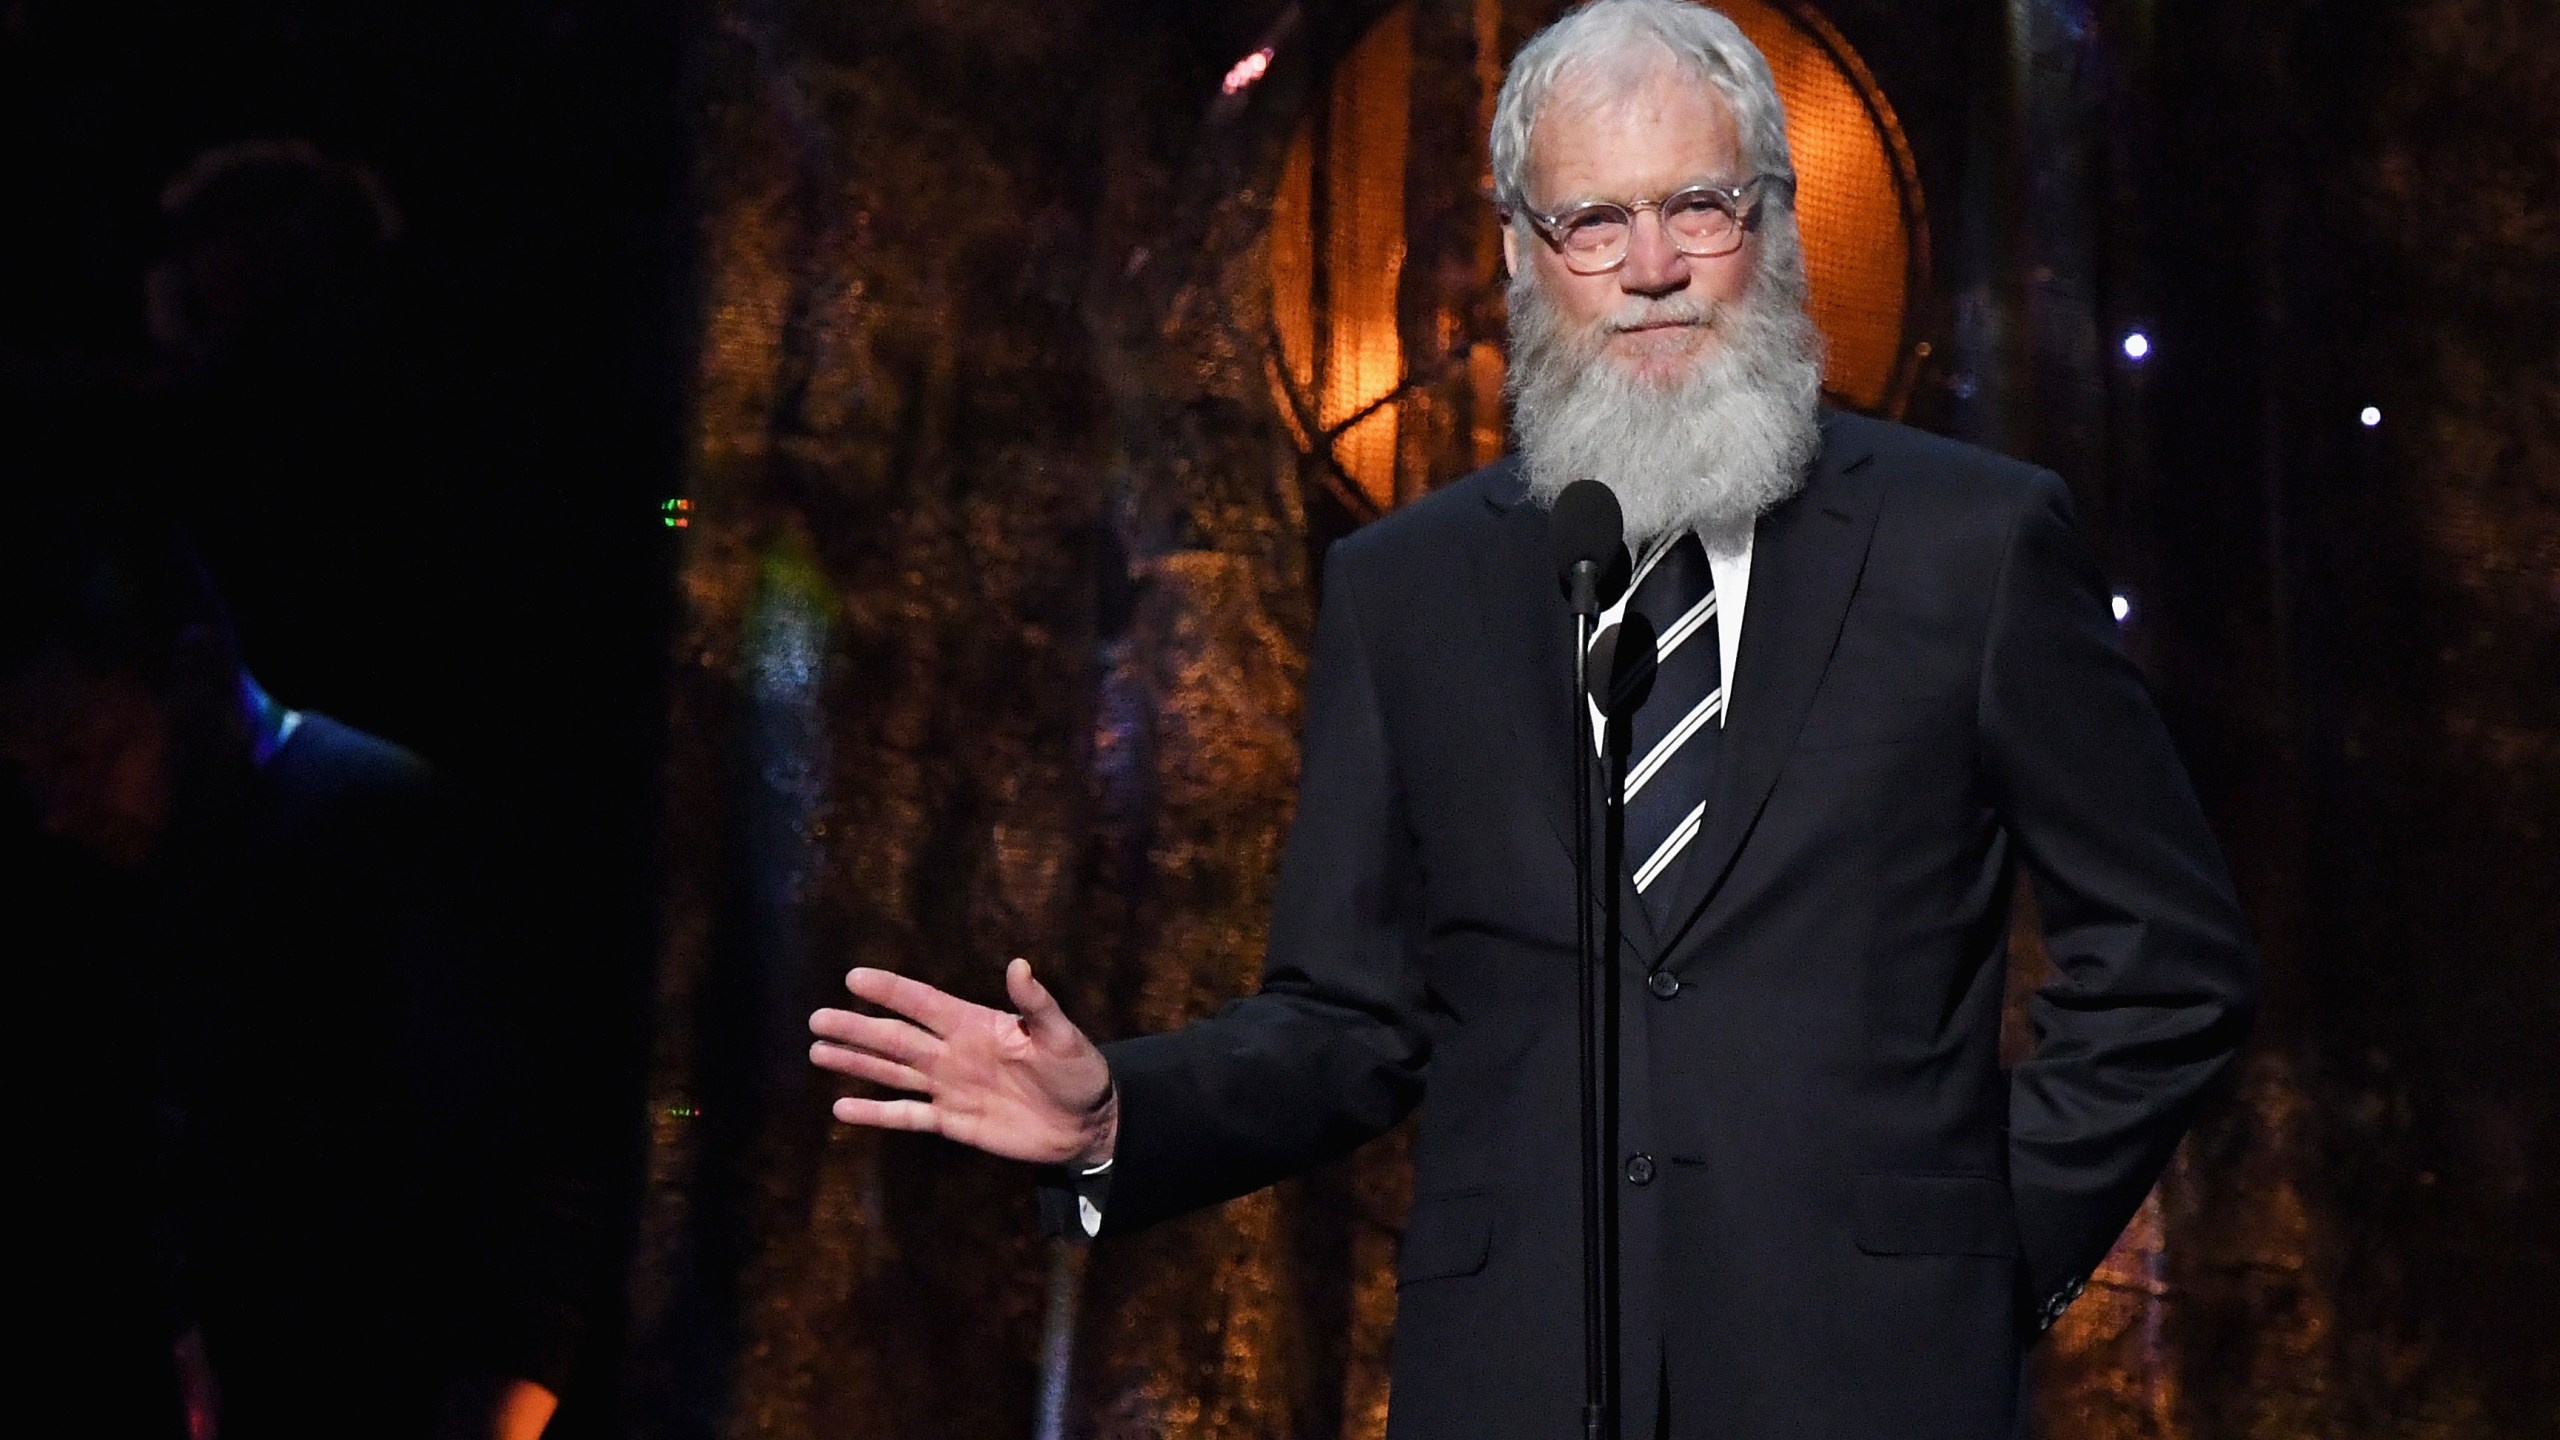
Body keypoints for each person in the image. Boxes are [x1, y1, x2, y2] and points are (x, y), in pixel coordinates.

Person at [806, 3, 2257, 1437]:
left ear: (1779, 217)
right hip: (1509, 1378)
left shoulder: (1976, 544)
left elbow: (2168, 965)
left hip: (1875, 1385)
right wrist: (1124, 1115)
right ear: (1519, 250)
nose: (1652, 270)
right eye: (1595, 223)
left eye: (1700, 207)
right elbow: (1349, 1018)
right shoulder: (1407, 588)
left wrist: (1977, 1255)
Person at [0, 509, 594, 1440]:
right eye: (29, 773)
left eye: (79, 756)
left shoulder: (391, 834)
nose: (51, 813)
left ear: (192, 675)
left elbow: (528, 1211)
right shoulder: (171, 877)